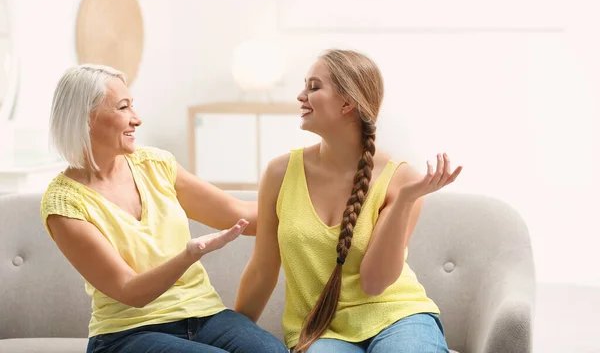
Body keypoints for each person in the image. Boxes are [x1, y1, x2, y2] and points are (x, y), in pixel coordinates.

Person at [40, 64, 288, 353]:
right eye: (123, 108)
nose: (137, 119)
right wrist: (188, 256)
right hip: (127, 333)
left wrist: (317, 199)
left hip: (206, 317)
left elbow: (244, 217)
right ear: (86, 118)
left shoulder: (156, 165)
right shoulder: (64, 203)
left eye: (133, 106)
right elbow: (129, 291)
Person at [235, 49, 463, 352]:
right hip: (320, 332)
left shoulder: (401, 179)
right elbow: (262, 271)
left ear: (348, 102)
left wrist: (406, 200)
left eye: (314, 87)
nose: (301, 96)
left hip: (398, 319)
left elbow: (374, 283)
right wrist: (229, 334)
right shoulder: (280, 173)